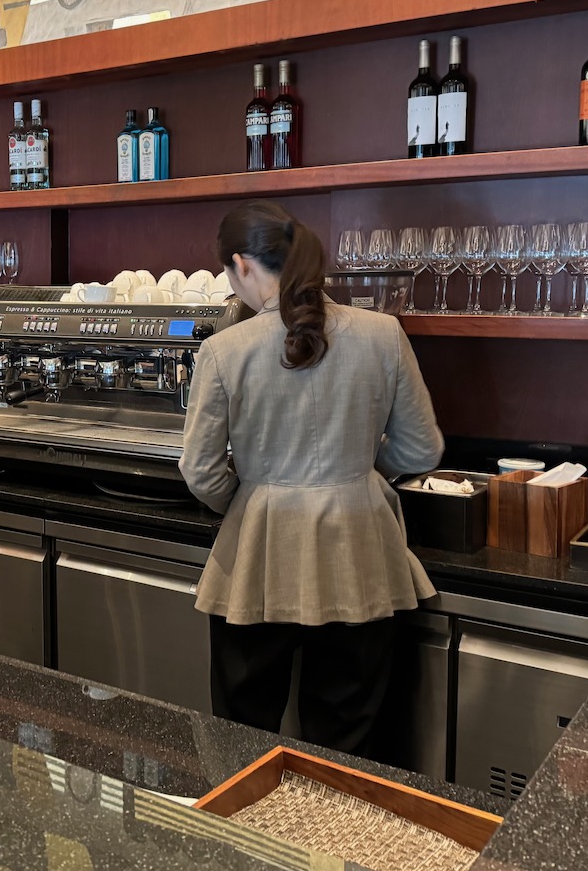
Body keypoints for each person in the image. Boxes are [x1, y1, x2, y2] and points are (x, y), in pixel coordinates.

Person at [180, 200, 443, 755]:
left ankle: (243, 840)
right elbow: (422, 449)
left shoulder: (223, 350)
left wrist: (250, 499)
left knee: (240, 740)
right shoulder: (383, 333)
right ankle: (336, 842)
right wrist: (361, 474)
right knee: (350, 743)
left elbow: (201, 471)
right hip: (360, 550)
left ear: (242, 265)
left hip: (257, 557)